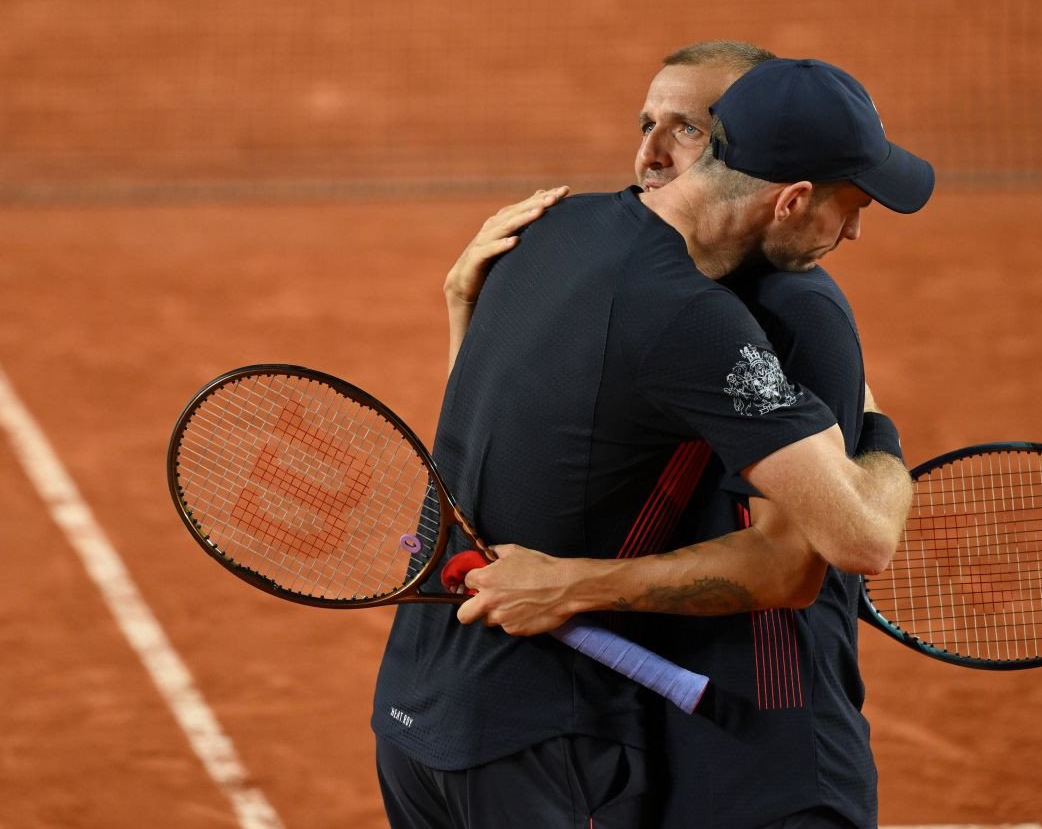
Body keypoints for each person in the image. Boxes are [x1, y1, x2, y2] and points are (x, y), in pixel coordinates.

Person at [372, 53, 933, 829]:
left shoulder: (547, 225)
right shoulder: (698, 317)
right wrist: (877, 430)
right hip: (534, 742)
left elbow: (532, 427)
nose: (857, 230)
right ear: (794, 198)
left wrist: (460, 312)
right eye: (850, 205)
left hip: (413, 712)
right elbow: (860, 538)